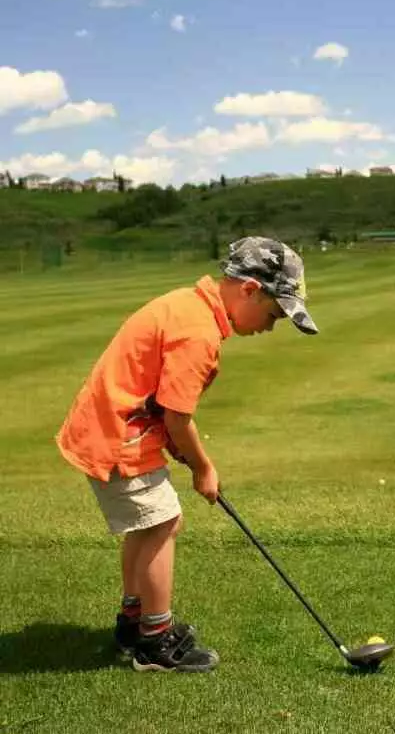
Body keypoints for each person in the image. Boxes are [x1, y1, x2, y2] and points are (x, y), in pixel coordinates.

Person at [55, 236, 318, 674]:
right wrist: (203, 467)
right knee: (162, 523)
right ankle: (154, 642)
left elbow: (164, 405)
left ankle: (133, 622)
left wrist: (178, 446)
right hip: (119, 436)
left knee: (149, 523)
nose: (271, 326)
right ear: (250, 289)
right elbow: (178, 418)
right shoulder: (198, 333)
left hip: (112, 428)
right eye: (274, 314)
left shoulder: (188, 303)